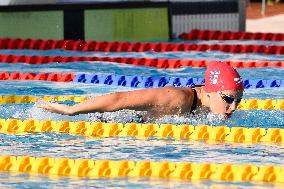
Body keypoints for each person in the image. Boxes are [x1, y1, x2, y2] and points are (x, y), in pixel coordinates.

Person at [38, 61, 244, 121]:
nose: (233, 106)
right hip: (114, 125)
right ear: (209, 91)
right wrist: (70, 110)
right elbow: (119, 100)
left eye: (238, 100)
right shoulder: (178, 99)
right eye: (228, 98)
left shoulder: (212, 108)